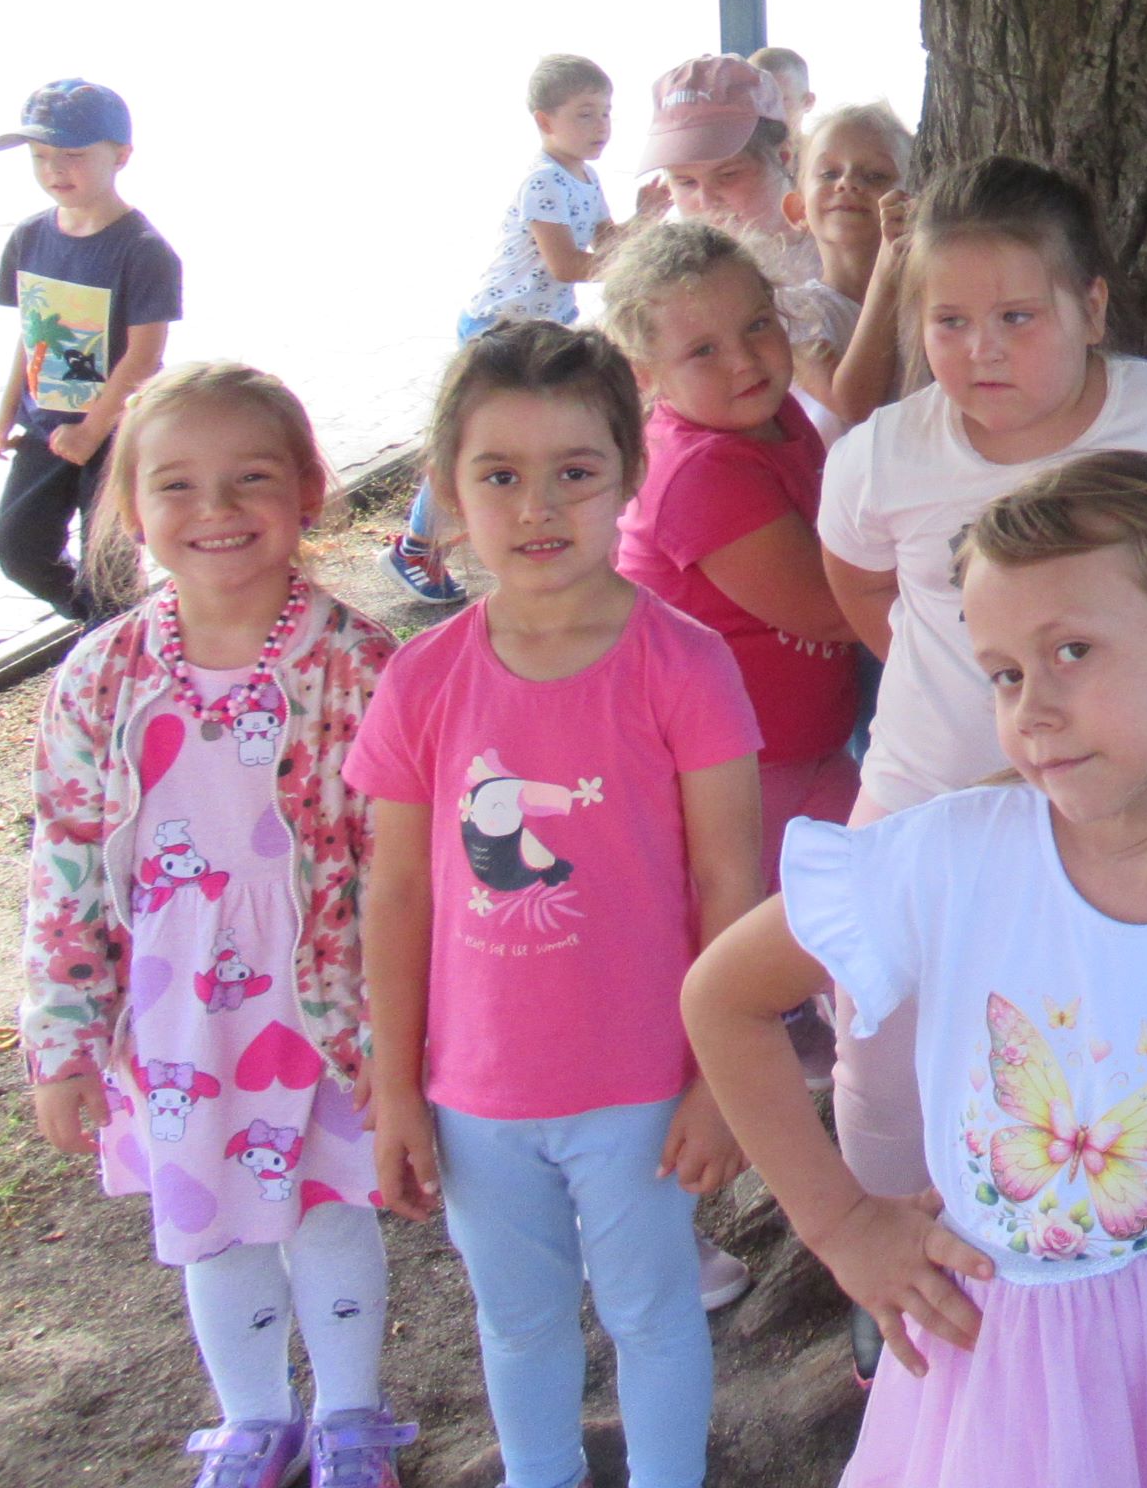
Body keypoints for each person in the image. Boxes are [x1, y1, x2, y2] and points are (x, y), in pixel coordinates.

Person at [685, 451, 1147, 1488]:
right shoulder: (949, 858)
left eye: (1073, 651)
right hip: (989, 1366)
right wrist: (843, 1226)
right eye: (1004, 673)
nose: (1032, 707)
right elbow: (723, 997)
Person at [813, 156, 1147, 1204]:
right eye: (948, 322)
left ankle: (1103, 1235)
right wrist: (984, 681)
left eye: (1018, 318)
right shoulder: (883, 457)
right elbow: (857, 581)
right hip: (923, 795)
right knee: (879, 1045)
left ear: (1092, 309)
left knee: (1104, 1049)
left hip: (1129, 816)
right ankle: (892, 1236)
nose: (981, 349)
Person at [348, 321, 763, 1488]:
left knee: (652, 1311)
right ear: (448, 492)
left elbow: (732, 883)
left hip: (643, 1083)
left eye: (575, 471)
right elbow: (397, 893)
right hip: (477, 1092)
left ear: (629, 475)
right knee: (520, 1322)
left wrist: (721, 1081)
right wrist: (396, 1089)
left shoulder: (685, 664)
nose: (538, 507)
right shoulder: (421, 681)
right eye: (499, 475)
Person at [18, 363, 413, 1488]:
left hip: (327, 1009)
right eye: (178, 485)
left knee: (329, 1211)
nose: (217, 510)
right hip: (176, 1020)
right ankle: (253, 1421)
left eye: (251, 478)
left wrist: (405, 1033)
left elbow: (406, 868)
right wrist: (64, 1040)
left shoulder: (359, 664)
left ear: (309, 489)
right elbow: (66, 866)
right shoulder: (101, 677)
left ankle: (350, 1415)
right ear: (130, 508)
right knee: (216, 1224)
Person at [603, 220, 868, 886]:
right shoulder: (702, 471)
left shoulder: (771, 416)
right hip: (736, 775)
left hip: (800, 746)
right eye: (703, 351)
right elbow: (833, 611)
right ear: (646, 374)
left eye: (757, 326)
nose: (745, 361)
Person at [387, 52, 641, 606]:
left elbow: (607, 244)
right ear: (544, 121)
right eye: (585, 114)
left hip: (543, 326)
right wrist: (637, 263)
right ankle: (415, 547)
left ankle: (443, 536)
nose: (601, 126)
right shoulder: (543, 182)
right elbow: (567, 265)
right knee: (472, 440)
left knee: (519, 442)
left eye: (606, 113)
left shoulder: (586, 177)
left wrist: (645, 218)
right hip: (498, 325)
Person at [0, 77, 181, 619]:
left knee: (111, 566)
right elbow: (32, 331)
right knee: (17, 548)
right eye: (40, 156)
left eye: (72, 155)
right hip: (45, 428)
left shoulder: (143, 250)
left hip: (115, 432)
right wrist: (7, 408)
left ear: (120, 155)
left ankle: (115, 635)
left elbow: (144, 357)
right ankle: (107, 630)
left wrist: (93, 430)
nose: (55, 170)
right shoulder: (29, 236)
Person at [780, 101, 918, 437]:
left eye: (875, 176)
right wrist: (887, 267)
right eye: (829, 174)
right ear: (798, 209)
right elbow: (853, 405)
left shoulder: (933, 302)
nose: (847, 183)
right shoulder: (793, 311)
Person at [645, 53, 816, 285]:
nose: (706, 202)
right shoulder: (669, 278)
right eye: (686, 182)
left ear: (782, 156)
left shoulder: (843, 252)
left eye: (728, 175)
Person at [747, 44, 816, 137]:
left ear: (808, 102)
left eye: (778, 100)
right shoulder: (729, 144)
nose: (765, 112)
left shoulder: (825, 145)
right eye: (757, 100)